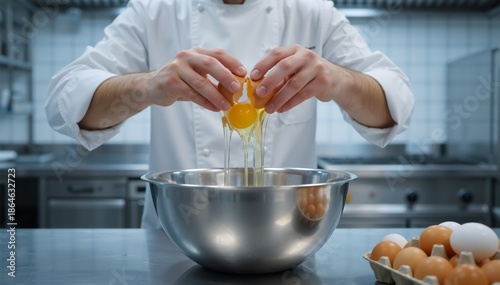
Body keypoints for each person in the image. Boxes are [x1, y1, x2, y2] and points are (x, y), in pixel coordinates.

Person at [46, 0, 414, 229]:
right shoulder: (154, 10)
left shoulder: (312, 10)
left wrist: (339, 80)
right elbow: (64, 101)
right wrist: (147, 85)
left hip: (288, 237)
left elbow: (395, 104)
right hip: (175, 241)